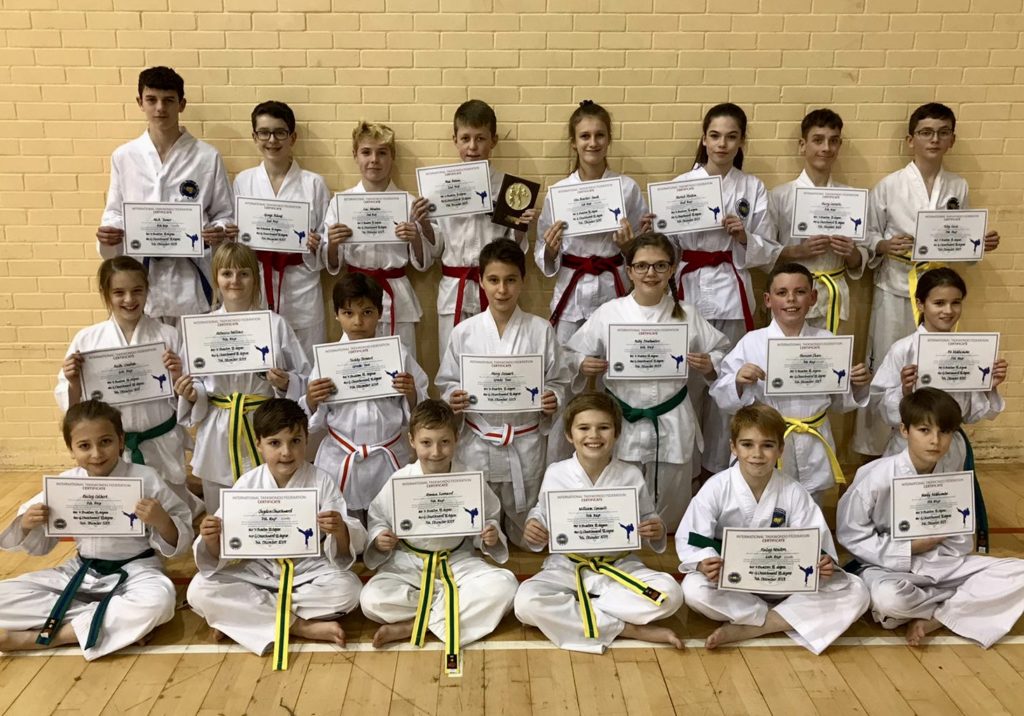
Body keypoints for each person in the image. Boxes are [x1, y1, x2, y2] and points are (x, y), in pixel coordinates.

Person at [854, 102, 1000, 456]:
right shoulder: (888, 186)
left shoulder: (958, 185)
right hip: (896, 288)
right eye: (926, 132)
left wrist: (979, 244)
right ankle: (877, 454)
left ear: (952, 139)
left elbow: (956, 239)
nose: (934, 139)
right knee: (893, 370)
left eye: (942, 132)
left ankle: (933, 443)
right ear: (910, 140)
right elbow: (867, 236)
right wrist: (884, 244)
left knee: (936, 366)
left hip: (937, 290)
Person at [0, 400, 192, 659]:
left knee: (159, 603)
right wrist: (27, 523)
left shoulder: (145, 478)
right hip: (81, 570)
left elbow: (179, 540)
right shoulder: (66, 484)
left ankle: (45, 637)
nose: (96, 454)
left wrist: (162, 520)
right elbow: (36, 543)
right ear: (71, 449)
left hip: (136, 572)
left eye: (105, 442)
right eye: (84, 446)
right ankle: (109, 621)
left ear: (121, 440)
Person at [838, 388, 1024, 648]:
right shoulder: (875, 477)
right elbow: (851, 534)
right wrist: (908, 548)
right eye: (924, 431)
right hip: (888, 568)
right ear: (905, 431)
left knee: (1020, 572)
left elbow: (961, 540)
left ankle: (934, 615)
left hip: (943, 565)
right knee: (890, 600)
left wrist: (939, 545)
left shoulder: (952, 479)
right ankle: (956, 602)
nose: (935, 441)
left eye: (944, 432)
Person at [187, 399, 366, 669]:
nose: (286, 452)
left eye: (296, 441)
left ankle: (240, 618)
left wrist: (339, 529)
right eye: (275, 443)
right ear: (258, 444)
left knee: (349, 591)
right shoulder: (248, 482)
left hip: (308, 570)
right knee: (198, 590)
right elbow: (217, 552)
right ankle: (300, 626)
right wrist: (212, 538)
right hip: (260, 570)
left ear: (307, 440)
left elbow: (342, 549)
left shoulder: (321, 480)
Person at [678, 403, 869, 654]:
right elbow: (693, 538)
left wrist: (823, 562)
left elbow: (817, 544)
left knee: (858, 591)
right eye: (747, 445)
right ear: (733, 447)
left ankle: (756, 626)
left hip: (784, 580)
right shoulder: (716, 487)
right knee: (693, 590)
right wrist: (705, 561)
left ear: (780, 449)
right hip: (734, 583)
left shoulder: (793, 491)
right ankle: (785, 617)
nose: (757, 454)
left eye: (767, 445)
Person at [566, 232, 729, 527]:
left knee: (670, 510)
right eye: (641, 266)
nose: (650, 273)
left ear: (672, 269)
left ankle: (665, 562)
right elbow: (571, 352)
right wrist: (583, 364)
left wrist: (709, 364)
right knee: (620, 506)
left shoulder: (687, 315)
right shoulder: (609, 313)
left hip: (672, 420)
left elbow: (722, 353)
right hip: (621, 420)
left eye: (659, 265)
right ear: (629, 271)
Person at [658, 103, 779, 477]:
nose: (722, 144)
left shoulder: (752, 187)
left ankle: (717, 471)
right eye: (714, 136)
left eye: (731, 137)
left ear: (742, 140)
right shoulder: (679, 187)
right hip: (689, 292)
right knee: (686, 385)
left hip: (731, 293)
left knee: (728, 386)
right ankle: (685, 471)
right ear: (704, 139)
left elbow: (769, 249)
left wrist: (744, 237)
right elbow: (665, 249)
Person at [514, 392, 684, 653]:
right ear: (570, 435)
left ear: (616, 434)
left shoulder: (630, 474)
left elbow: (648, 518)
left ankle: (582, 613)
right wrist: (534, 525)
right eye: (584, 428)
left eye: (603, 428)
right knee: (525, 603)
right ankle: (625, 627)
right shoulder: (557, 473)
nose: (593, 436)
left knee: (670, 594)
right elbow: (542, 513)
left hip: (619, 568)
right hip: (569, 567)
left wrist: (655, 528)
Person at [360, 400, 518, 675]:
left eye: (444, 441)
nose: (436, 451)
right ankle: (448, 612)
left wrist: (490, 534)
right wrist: (380, 537)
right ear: (412, 441)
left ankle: (413, 625)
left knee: (505, 585)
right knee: (371, 600)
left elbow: (490, 515)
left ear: (456, 439)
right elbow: (378, 518)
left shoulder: (469, 478)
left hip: (457, 559)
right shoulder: (400, 480)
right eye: (426, 443)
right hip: (408, 562)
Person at [436, 239, 570, 548]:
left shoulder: (540, 331)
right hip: (477, 443)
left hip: (524, 444)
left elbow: (559, 381)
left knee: (530, 541)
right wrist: (453, 396)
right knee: (477, 538)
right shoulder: (464, 332)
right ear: (481, 281)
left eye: (510, 280)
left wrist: (553, 397)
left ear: (522, 281)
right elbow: (446, 381)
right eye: (494, 280)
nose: (502, 290)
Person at [710, 262, 871, 503]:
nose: (791, 300)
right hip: (766, 442)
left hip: (813, 438)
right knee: (764, 504)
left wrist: (857, 384)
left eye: (800, 292)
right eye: (782, 293)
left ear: (813, 297)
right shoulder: (751, 342)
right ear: (767, 299)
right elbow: (722, 396)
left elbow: (839, 403)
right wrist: (738, 381)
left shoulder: (827, 342)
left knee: (809, 504)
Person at [56, 256, 202, 517]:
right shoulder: (87, 340)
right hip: (113, 447)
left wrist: (177, 374)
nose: (129, 300)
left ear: (148, 291)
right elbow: (74, 407)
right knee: (123, 515)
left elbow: (188, 392)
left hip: (160, 439)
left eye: (137, 291)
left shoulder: (167, 335)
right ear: (106, 294)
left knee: (172, 510)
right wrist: (73, 382)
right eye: (119, 293)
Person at [175, 243, 311, 514]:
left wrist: (285, 383)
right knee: (221, 500)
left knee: (268, 497)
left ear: (256, 278)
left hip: (265, 422)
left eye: (243, 273)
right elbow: (195, 380)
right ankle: (226, 553)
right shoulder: (202, 328)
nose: (235, 281)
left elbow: (305, 375)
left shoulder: (274, 324)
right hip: (218, 425)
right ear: (216, 278)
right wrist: (193, 393)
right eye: (227, 273)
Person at [95, 66, 233, 323]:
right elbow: (114, 211)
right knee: (152, 359)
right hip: (142, 279)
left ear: (181, 104)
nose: (160, 108)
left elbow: (224, 213)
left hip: (191, 279)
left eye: (169, 100)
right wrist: (109, 233)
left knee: (193, 360)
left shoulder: (206, 156)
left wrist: (218, 231)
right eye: (152, 100)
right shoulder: (124, 156)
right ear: (140, 103)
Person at [304, 272, 428, 521]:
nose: (358, 321)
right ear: (337, 314)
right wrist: (311, 399)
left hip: (387, 455)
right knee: (345, 529)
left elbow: (420, 412)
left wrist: (411, 392)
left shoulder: (398, 354)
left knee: (389, 527)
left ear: (379, 313)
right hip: (341, 456)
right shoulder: (327, 360)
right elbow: (313, 419)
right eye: (349, 313)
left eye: (367, 312)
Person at [428, 100, 539, 363]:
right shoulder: (440, 187)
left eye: (480, 138)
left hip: (496, 289)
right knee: (455, 364)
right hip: (454, 289)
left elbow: (515, 251)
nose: (472, 146)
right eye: (465, 138)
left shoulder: (510, 188)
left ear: (494, 140)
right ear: (454, 139)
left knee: (495, 361)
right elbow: (435, 249)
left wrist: (523, 227)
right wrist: (422, 224)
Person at [535, 100, 651, 344]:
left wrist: (629, 246)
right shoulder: (559, 193)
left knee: (613, 366)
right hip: (572, 289)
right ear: (574, 142)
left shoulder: (627, 188)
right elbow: (541, 250)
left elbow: (644, 251)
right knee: (566, 367)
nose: (593, 142)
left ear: (609, 140)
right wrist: (551, 249)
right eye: (584, 136)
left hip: (613, 285)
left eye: (600, 135)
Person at [868, 267, 1006, 463]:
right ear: (921, 304)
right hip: (907, 449)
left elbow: (969, 415)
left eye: (956, 303)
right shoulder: (903, 349)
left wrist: (989, 387)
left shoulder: (969, 351)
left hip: (951, 450)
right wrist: (905, 392)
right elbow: (878, 407)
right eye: (939, 303)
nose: (948, 311)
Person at [323, 121, 433, 360]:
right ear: (355, 155)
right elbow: (333, 264)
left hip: (396, 296)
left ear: (392, 157)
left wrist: (415, 239)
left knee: (401, 366)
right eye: (366, 152)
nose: (374, 160)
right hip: (355, 297)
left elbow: (424, 263)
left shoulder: (407, 202)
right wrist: (332, 243)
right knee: (359, 367)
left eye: (382, 153)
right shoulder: (340, 203)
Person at [229, 101, 331, 353]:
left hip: (302, 288)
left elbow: (326, 244)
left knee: (307, 367)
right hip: (258, 284)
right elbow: (236, 242)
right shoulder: (244, 181)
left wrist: (316, 245)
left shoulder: (314, 184)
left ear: (293, 137)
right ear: (254, 137)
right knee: (264, 362)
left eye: (280, 132)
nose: (272, 140)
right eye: (264, 132)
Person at [768, 108, 868, 334]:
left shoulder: (851, 197)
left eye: (833, 141)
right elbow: (765, 251)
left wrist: (850, 252)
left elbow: (860, 257)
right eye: (818, 140)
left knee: (830, 364)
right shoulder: (780, 196)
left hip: (833, 297)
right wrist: (797, 252)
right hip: (789, 297)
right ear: (802, 145)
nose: (826, 148)